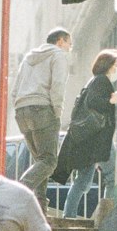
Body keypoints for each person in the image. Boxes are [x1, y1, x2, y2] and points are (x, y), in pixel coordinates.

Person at [12, 27, 72, 208]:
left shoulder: (28, 58)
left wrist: (19, 106)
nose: (70, 48)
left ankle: (39, 205)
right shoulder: (58, 55)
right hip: (42, 109)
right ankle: (19, 191)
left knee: (41, 159)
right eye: (70, 43)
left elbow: (15, 90)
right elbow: (58, 85)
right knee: (49, 160)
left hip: (22, 110)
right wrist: (57, 111)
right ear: (60, 41)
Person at [55, 49, 117, 219]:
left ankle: (69, 216)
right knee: (114, 175)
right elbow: (93, 102)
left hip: (87, 140)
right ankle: (107, 216)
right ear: (108, 66)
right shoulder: (102, 80)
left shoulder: (92, 81)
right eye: (116, 65)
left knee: (83, 180)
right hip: (96, 139)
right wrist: (111, 101)